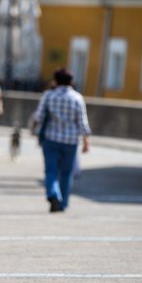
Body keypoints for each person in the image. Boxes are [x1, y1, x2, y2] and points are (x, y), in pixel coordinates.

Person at [31, 68, 91, 213]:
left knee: (50, 171)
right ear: (71, 81)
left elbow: (38, 116)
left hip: (51, 139)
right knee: (66, 173)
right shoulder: (77, 98)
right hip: (70, 141)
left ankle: (53, 194)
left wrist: (34, 130)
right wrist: (86, 141)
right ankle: (63, 203)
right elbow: (82, 121)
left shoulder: (48, 95)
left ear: (55, 80)